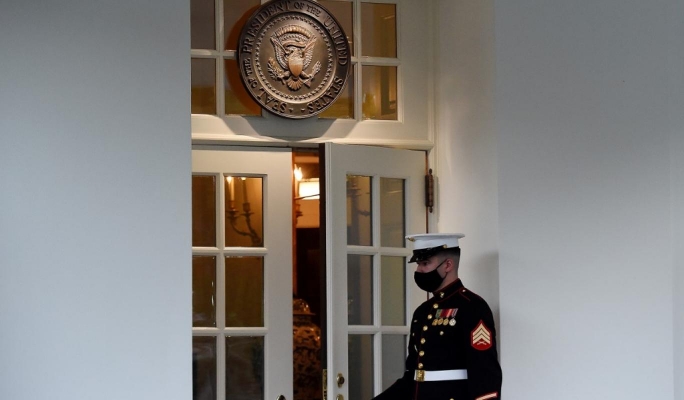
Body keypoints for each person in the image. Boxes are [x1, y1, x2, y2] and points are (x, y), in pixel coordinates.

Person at [372, 233, 502, 400]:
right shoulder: (422, 312)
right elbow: (412, 377)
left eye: (425, 263)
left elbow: (485, 374)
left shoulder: (472, 307)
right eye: (418, 264)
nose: (419, 270)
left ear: (447, 265)